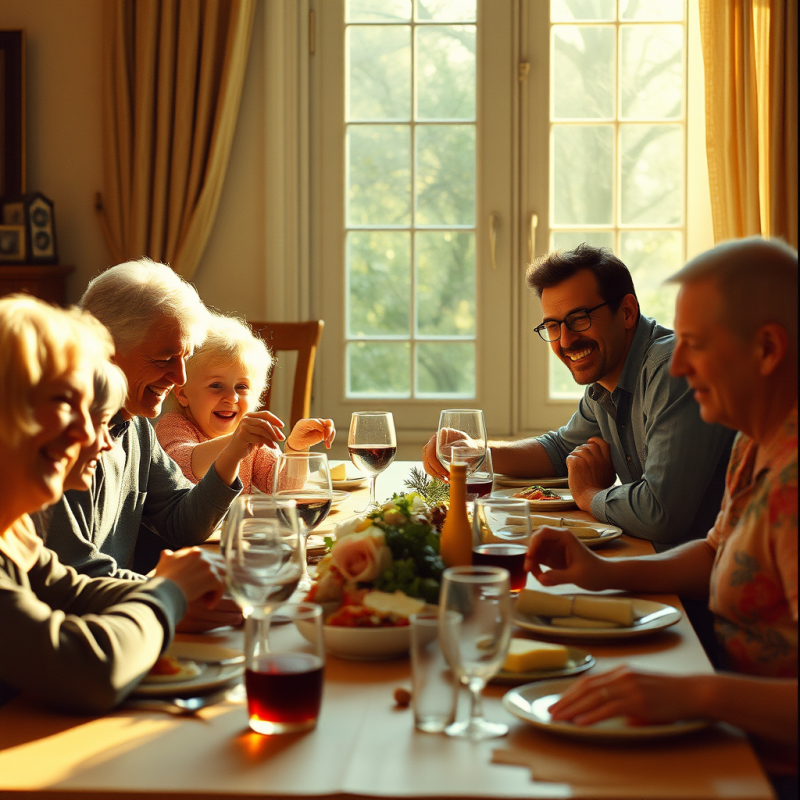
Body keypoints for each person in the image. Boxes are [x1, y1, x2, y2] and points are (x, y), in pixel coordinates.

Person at [524, 237, 797, 794]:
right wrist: (603, 572)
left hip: (767, 768)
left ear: (767, 349)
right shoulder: (756, 439)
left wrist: (697, 692)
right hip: (727, 721)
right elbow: (717, 552)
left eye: (696, 343)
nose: (677, 363)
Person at [423, 244, 735, 550]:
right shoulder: (606, 378)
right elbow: (560, 449)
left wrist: (587, 494)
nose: (566, 340)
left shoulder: (671, 370)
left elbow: (659, 515)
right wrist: (475, 450)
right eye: (553, 326)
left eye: (579, 318)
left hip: (705, 575)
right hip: (654, 555)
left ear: (627, 312)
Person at [0, 294, 226, 713]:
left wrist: (189, 589)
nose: (92, 436)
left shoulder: (12, 533)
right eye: (64, 402)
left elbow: (74, 592)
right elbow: (88, 670)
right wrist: (167, 595)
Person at [42, 258, 280, 591]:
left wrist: (234, 451)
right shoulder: (59, 438)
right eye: (165, 359)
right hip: (96, 612)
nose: (180, 378)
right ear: (104, 348)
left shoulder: (135, 426)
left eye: (185, 357)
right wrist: (168, 593)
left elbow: (182, 522)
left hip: (125, 603)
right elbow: (73, 574)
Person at [155, 311, 334, 492]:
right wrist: (236, 442)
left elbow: (283, 487)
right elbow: (180, 464)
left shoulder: (250, 437)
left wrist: (296, 450)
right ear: (183, 394)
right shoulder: (174, 425)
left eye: (241, 387)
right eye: (216, 385)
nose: (232, 397)